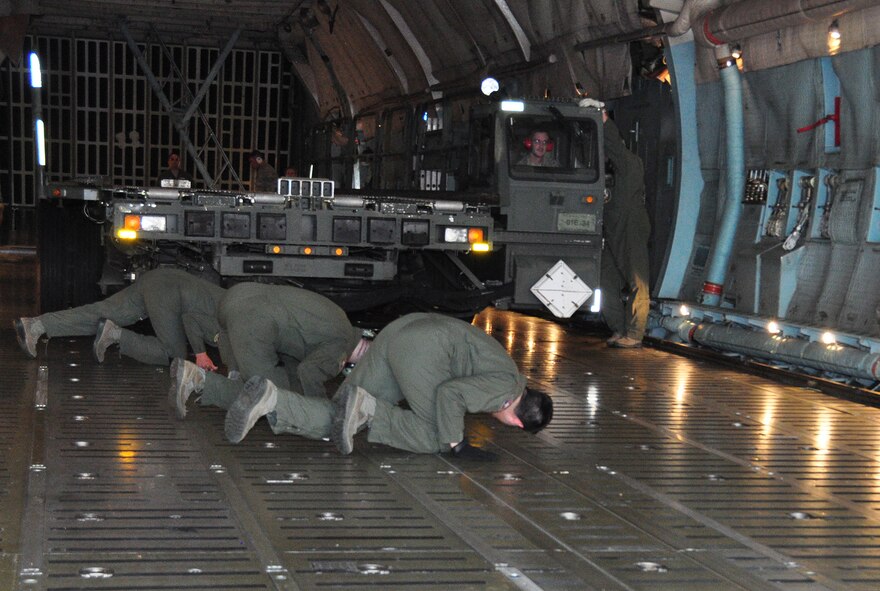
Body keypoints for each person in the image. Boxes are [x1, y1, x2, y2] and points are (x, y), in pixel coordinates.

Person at [222, 313, 553, 462]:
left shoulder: (507, 371)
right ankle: (368, 409)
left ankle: (271, 400)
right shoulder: (507, 389)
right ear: (518, 421)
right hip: (423, 349)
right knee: (434, 437)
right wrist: (457, 444)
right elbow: (449, 394)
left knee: (340, 414)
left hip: (401, 333)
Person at [168, 283, 363, 419]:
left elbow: (293, 359)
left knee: (265, 382)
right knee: (271, 393)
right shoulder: (342, 344)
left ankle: (227, 380)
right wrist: (323, 412)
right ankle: (198, 379)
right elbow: (309, 372)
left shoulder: (337, 317)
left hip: (235, 298)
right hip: (256, 320)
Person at [13, 268, 224, 367]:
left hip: (160, 278)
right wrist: (200, 353)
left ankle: (35, 325)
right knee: (175, 354)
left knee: (103, 311)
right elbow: (191, 319)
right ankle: (114, 334)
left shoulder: (239, 302)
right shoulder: (237, 322)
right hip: (169, 293)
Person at [586, 99, 651, 348]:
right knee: (604, 282)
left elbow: (614, 145)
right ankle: (618, 328)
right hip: (611, 232)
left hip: (630, 227)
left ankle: (634, 333)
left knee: (638, 281)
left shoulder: (630, 164)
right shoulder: (607, 172)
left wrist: (603, 120)